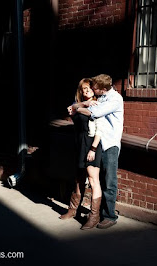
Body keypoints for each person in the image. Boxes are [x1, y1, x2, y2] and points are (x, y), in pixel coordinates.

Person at [69, 74, 124, 229]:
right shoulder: (101, 98)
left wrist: (76, 108)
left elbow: (95, 112)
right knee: (98, 179)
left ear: (102, 89)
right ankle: (97, 213)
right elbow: (88, 103)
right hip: (99, 144)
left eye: (95, 88)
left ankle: (110, 216)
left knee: (109, 180)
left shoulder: (115, 99)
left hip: (110, 144)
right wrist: (80, 104)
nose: (92, 90)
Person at [60, 78, 105, 230]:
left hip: (92, 143)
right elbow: (70, 109)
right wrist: (81, 105)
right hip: (79, 144)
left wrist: (93, 149)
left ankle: (94, 216)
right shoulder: (79, 104)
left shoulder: (98, 104)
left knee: (93, 180)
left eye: (89, 89)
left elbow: (100, 130)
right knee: (78, 178)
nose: (86, 91)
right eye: (83, 89)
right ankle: (72, 210)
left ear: (94, 89)